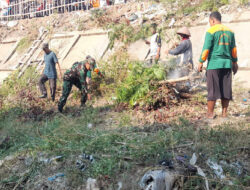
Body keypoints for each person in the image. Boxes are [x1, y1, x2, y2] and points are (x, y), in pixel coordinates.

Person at [198, 11, 238, 119]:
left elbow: (206, 49)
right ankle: (224, 114)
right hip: (227, 64)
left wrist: (201, 62)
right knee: (226, 89)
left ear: (212, 20)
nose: (210, 23)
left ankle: (210, 114)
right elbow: (233, 49)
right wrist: (235, 62)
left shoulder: (211, 31)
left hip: (214, 64)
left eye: (210, 22)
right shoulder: (230, 32)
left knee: (212, 90)